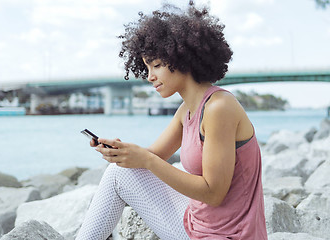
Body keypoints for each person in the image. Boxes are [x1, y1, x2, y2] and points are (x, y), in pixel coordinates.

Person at [76, 1, 267, 239]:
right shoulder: (186, 110)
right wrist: (121, 153)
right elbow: (153, 156)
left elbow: (214, 193)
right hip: (197, 222)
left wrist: (145, 159)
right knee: (118, 172)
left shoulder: (219, 107)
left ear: (183, 59)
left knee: (120, 174)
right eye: (146, 68)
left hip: (226, 235)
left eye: (156, 65)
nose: (150, 76)